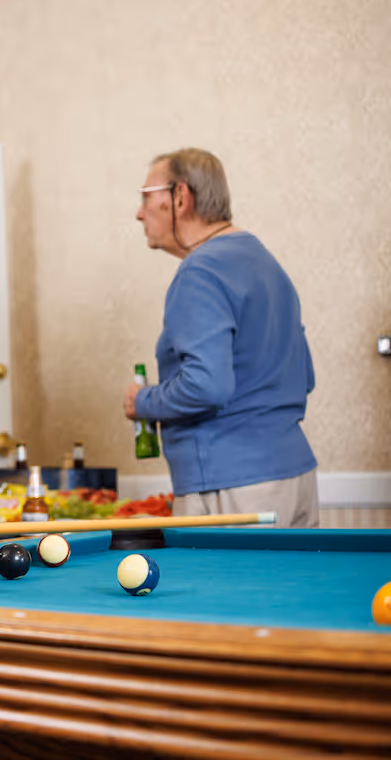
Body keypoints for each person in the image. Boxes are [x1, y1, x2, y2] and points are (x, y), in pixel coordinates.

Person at [124, 147, 318, 527]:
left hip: (233, 487)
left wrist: (142, 402)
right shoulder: (266, 264)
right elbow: (305, 377)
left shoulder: (200, 271)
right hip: (297, 477)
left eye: (147, 197)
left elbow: (206, 386)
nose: (139, 212)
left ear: (181, 197)